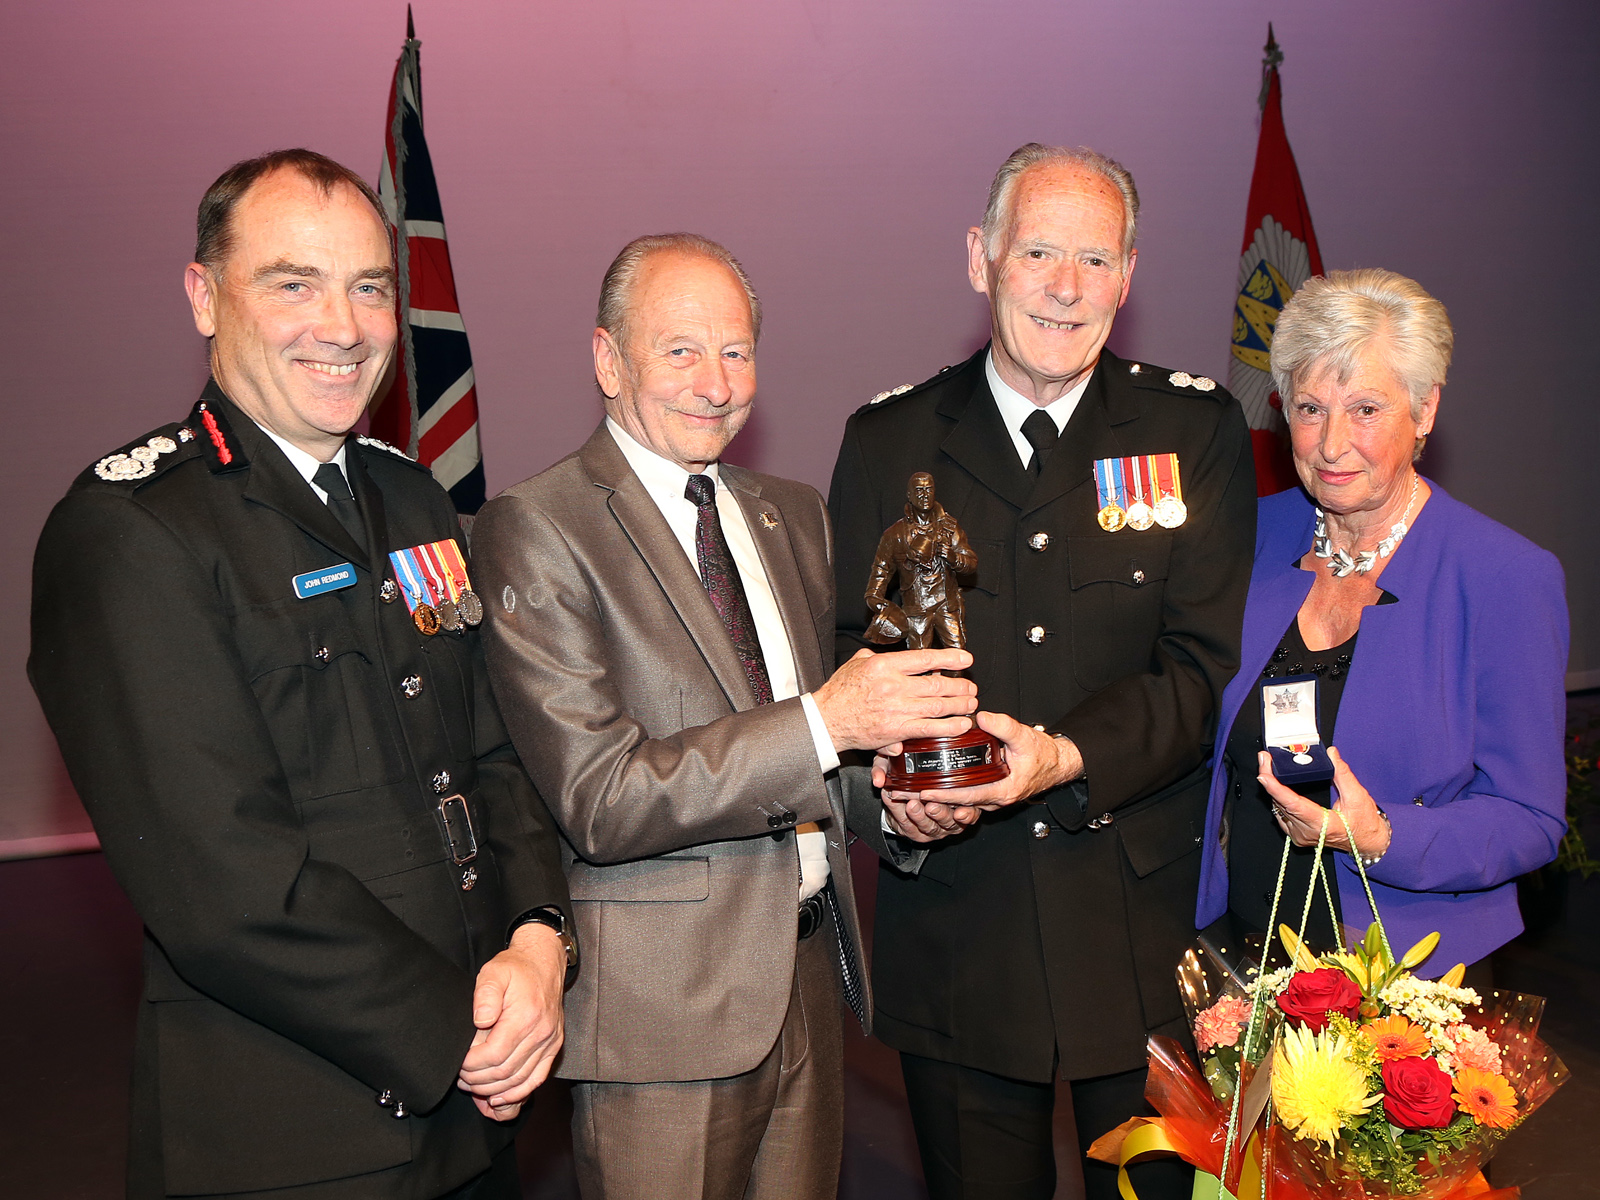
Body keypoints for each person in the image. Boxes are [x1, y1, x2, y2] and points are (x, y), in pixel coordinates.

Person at [28, 149, 571, 1200]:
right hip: (297, 1137)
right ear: (203, 294)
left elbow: (494, 757)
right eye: (293, 284)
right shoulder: (132, 533)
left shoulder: (410, 500)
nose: (344, 325)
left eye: (370, 286)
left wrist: (540, 942)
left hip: (479, 1115)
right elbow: (222, 879)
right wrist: (452, 1028)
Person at [470, 232, 978, 1200]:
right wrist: (832, 723)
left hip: (809, 989)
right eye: (680, 350)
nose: (715, 382)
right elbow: (601, 797)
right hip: (663, 1021)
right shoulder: (537, 527)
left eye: (737, 351)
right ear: (607, 359)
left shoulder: (791, 514)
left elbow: (811, 754)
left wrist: (892, 807)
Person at [828, 143, 1257, 1200]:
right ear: (980, 259)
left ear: (1128, 274)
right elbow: (851, 665)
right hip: (960, 925)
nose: (1067, 287)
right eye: (1038, 252)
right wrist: (899, 803)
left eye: (1095, 259)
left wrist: (1062, 755)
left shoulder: (1193, 430)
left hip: (1139, 932)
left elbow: (1198, 673)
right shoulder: (889, 440)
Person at [1196, 268, 1568, 982]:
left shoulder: (1502, 576)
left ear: (1424, 411)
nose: (1332, 443)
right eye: (1309, 408)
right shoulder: (1246, 537)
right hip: (1242, 954)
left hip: (1408, 979)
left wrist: (1381, 836)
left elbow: (1530, 818)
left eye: (1365, 408)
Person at [864, 471, 979, 649]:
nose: (925, 495)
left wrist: (953, 558)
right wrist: (875, 599)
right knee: (920, 666)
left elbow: (971, 563)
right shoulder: (895, 534)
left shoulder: (950, 527)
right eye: (919, 490)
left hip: (947, 604)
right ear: (909, 495)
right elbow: (881, 571)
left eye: (929, 489)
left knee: (958, 659)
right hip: (916, 609)